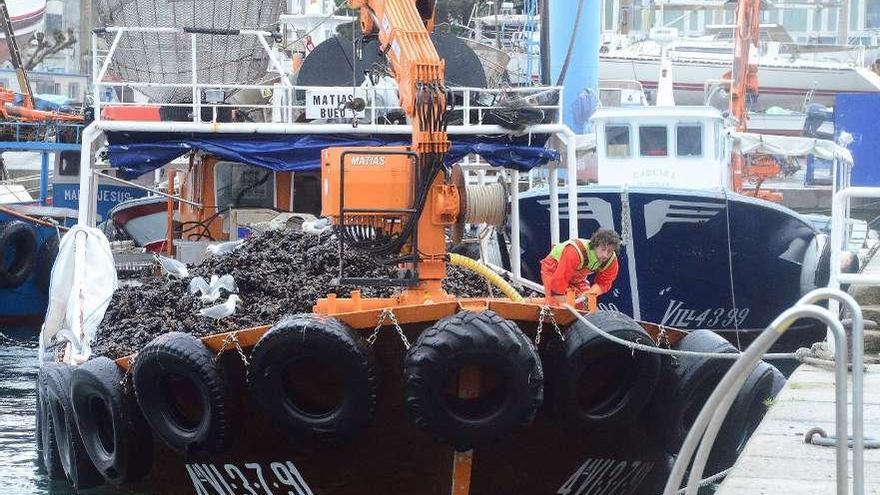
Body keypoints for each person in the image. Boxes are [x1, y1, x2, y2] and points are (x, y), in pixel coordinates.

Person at [540, 228, 621, 308]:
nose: (605, 255)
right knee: (557, 306)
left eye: (609, 251)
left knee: (589, 305)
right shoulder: (575, 251)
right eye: (603, 249)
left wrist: (590, 293)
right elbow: (560, 278)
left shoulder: (611, 261)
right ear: (595, 245)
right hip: (554, 268)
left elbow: (604, 283)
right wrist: (558, 296)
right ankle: (533, 302)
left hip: (577, 277)